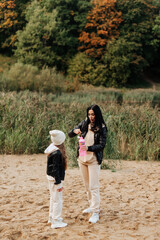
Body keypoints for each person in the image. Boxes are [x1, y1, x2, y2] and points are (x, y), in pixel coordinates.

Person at [68, 104, 107, 224]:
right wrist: (74, 131)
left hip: (94, 159)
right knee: (86, 186)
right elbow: (70, 134)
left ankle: (95, 212)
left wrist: (88, 148)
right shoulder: (84, 123)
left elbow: (102, 145)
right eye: (89, 114)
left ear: (97, 114)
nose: (91, 117)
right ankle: (91, 205)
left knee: (94, 186)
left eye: (93, 114)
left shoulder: (102, 127)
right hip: (82, 158)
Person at [44, 130, 67, 229]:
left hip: (50, 178)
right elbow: (55, 169)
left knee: (53, 198)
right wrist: (58, 183)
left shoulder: (51, 149)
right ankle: (56, 220)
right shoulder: (57, 153)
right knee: (57, 200)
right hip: (55, 179)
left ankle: (51, 217)